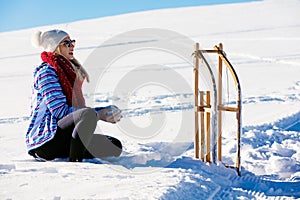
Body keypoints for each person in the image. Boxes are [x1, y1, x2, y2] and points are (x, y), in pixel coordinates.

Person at [26, 29, 122, 162]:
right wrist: (99, 114)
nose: (71, 46)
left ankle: (74, 152)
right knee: (87, 114)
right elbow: (60, 111)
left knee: (114, 145)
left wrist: (105, 113)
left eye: (72, 42)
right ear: (55, 47)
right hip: (45, 141)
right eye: (66, 43)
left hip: (63, 137)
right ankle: (76, 165)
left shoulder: (68, 72)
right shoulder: (46, 72)